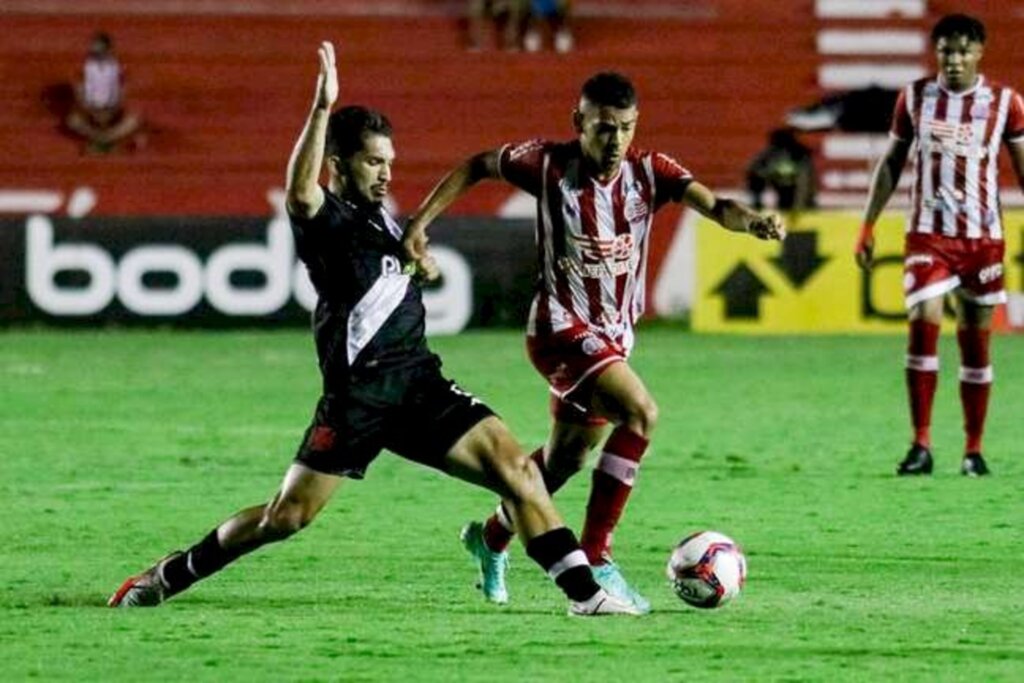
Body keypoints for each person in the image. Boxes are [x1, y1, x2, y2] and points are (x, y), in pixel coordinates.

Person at [107, 42, 640, 617]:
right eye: (372, 162)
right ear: (338, 163)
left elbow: (392, 273)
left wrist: (419, 262)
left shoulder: (384, 216)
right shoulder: (327, 220)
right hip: (358, 401)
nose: (386, 173)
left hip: (418, 384)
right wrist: (319, 110)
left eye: (389, 161)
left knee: (516, 470)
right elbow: (299, 192)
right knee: (285, 517)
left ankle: (586, 598)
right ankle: (168, 574)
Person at [403, 71, 785, 611]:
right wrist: (419, 224)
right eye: (604, 129)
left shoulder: (651, 172)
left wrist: (750, 223)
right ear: (578, 123)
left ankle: (489, 540)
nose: (615, 142)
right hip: (559, 328)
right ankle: (597, 555)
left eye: (625, 129)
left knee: (563, 463)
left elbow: (716, 205)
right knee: (641, 413)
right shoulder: (547, 165)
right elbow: (476, 165)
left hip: (612, 337)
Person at [855, 14, 1024, 477]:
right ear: (937, 53)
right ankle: (921, 444)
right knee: (923, 321)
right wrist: (867, 226)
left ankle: (973, 449)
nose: (954, 60)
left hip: (983, 239)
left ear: (980, 52)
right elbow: (891, 163)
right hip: (929, 234)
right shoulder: (914, 98)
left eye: (964, 50)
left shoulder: (1006, 103)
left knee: (976, 345)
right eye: (947, 51)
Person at [65, 32, 143, 153]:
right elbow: (79, 94)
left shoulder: (120, 69)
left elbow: (122, 95)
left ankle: (100, 140)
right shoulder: (82, 70)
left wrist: (111, 112)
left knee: (133, 120)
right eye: (95, 50)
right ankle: (108, 140)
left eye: (101, 50)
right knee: (73, 121)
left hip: (113, 112)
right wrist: (92, 111)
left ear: (109, 50)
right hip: (90, 112)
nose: (98, 53)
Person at [746, 128, 817, 213]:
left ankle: (803, 207)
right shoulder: (769, 154)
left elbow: (805, 182)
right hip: (781, 185)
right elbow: (753, 170)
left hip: (794, 186)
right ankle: (757, 202)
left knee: (800, 192)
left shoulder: (799, 154)